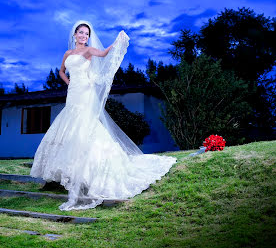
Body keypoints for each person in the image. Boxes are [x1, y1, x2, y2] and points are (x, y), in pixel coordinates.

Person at [30, 20, 177, 211]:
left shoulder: (89, 51)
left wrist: (116, 43)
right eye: (81, 33)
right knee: (69, 124)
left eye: (86, 34)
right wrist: (68, 82)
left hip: (85, 92)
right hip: (73, 92)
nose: (83, 36)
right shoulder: (68, 54)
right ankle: (68, 169)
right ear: (74, 34)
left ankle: (88, 171)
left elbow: (104, 53)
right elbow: (61, 71)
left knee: (84, 124)